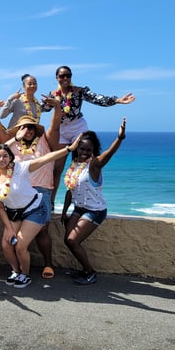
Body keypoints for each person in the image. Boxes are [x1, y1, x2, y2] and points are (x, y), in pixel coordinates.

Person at [0, 96, 62, 279]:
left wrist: (57, 108)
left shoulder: (45, 141)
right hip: (18, 193)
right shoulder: (13, 147)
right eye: (24, 127)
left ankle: (47, 264)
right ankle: (20, 268)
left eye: (31, 127)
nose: (28, 130)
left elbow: (55, 127)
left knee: (43, 230)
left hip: (41, 189)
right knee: (19, 236)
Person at [0, 139, 79, 289]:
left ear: (11, 157)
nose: (1, 159)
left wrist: (68, 149)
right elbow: (0, 207)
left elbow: (46, 158)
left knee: (20, 245)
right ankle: (15, 271)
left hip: (34, 209)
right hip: (14, 213)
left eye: (5, 156)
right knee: (6, 245)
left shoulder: (21, 167)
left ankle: (25, 275)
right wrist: (10, 229)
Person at [41, 66, 135, 205]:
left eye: (68, 75)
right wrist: (41, 104)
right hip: (61, 129)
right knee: (57, 168)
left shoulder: (79, 91)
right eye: (62, 76)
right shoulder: (53, 94)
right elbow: (43, 109)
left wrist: (117, 100)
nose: (65, 78)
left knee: (84, 162)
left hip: (78, 127)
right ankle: (51, 202)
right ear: (57, 78)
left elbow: (97, 98)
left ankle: (88, 198)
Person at [61, 118, 127, 285]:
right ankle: (84, 270)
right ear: (76, 149)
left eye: (88, 150)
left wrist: (119, 138)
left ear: (93, 151)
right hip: (78, 208)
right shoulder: (74, 165)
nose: (84, 152)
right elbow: (70, 190)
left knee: (72, 240)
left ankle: (90, 272)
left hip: (94, 210)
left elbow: (109, 154)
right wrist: (64, 211)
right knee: (67, 240)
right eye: (82, 148)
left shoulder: (94, 165)